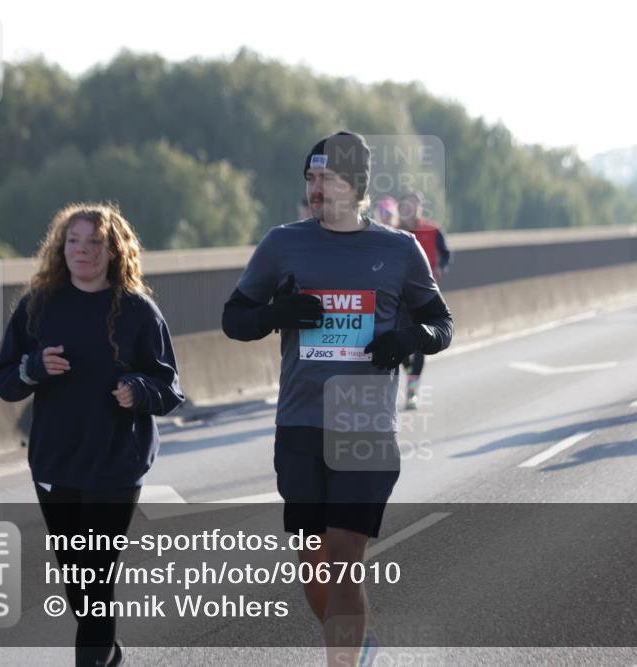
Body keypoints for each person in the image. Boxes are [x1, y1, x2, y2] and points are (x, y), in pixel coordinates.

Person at [221, 132, 452, 667]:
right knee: (313, 559)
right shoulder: (283, 244)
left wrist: (409, 339)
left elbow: (442, 324)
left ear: (356, 184)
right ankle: (356, 643)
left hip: (365, 425)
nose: (315, 188)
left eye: (325, 178)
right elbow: (234, 319)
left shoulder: (398, 249)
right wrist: (277, 315)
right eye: (309, 178)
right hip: (300, 423)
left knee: (346, 557)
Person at [0, 203, 185, 667]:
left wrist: (138, 390)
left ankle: (93, 661)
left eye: (94, 242)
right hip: (56, 463)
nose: (82, 251)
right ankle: (108, 652)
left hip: (116, 463)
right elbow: (2, 381)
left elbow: (170, 388)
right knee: (76, 579)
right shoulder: (38, 307)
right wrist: (33, 368)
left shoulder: (138, 311)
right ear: (62, 247)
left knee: (96, 576)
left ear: (113, 250)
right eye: (73, 241)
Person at [395, 191, 452, 410]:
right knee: (399, 342)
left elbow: (446, 254)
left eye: (414, 205)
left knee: (419, 344)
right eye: (406, 205)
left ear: (420, 207)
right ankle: (407, 368)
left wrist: (440, 268)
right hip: (398, 298)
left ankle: (412, 390)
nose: (410, 209)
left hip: (424, 297)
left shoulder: (432, 229)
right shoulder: (393, 232)